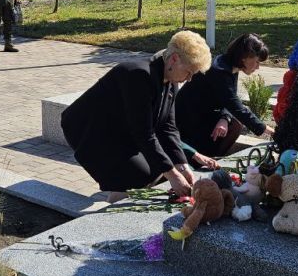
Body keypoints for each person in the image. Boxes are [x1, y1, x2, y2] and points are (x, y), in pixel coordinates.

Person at [61, 31, 212, 202]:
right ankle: (113, 207)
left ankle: (118, 197)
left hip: (120, 129)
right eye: (189, 72)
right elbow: (144, 133)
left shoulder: (170, 82)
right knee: (139, 174)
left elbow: (167, 128)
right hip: (90, 130)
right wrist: (173, 175)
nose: (189, 79)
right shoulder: (139, 75)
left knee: (155, 168)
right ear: (174, 59)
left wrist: (182, 166)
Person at [175, 33, 274, 167]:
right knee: (236, 122)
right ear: (245, 57)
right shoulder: (219, 71)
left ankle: (212, 159)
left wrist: (225, 118)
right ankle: (204, 162)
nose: (258, 67)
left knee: (234, 124)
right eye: (257, 62)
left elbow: (229, 99)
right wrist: (269, 130)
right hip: (188, 120)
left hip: (205, 115)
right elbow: (236, 107)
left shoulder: (229, 66)